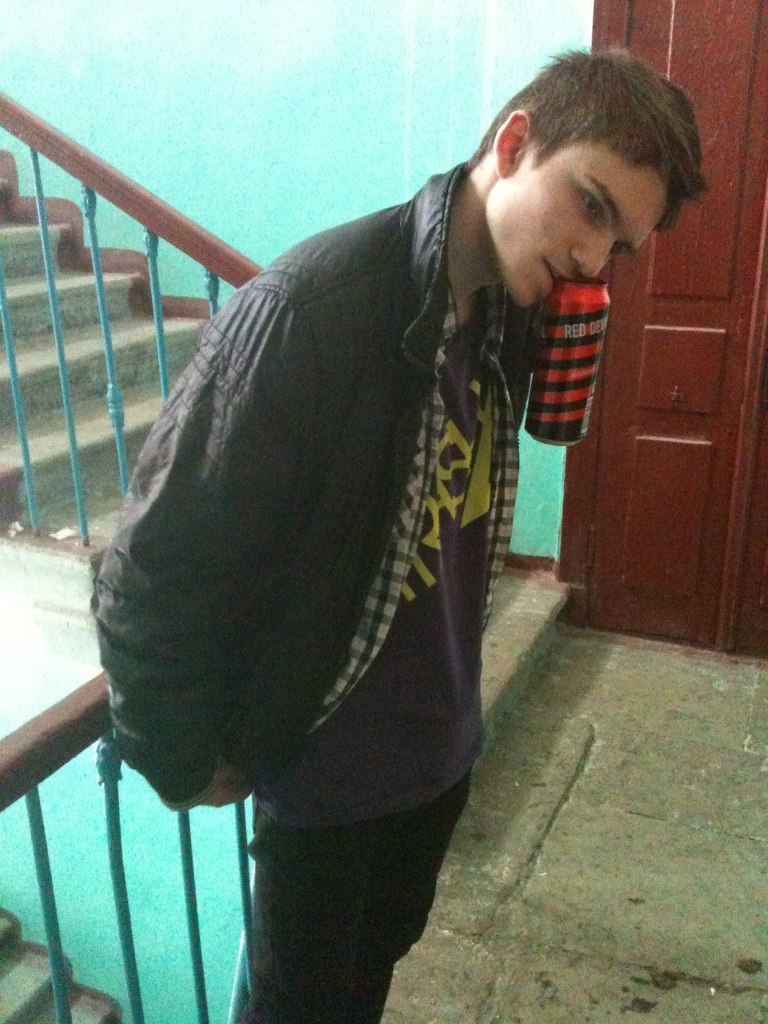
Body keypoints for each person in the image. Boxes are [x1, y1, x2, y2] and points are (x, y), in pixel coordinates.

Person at [93, 47, 705, 1024]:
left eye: (619, 244)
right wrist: (174, 752)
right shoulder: (311, 310)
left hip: (436, 762)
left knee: (365, 989)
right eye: (589, 205)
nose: (595, 258)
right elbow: (156, 564)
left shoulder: (509, 309)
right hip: (324, 786)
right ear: (514, 143)